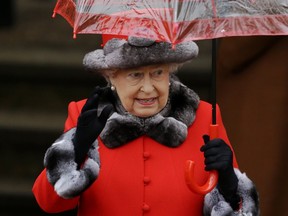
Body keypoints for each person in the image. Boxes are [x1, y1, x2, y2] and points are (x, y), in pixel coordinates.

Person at [32, 36, 259, 216]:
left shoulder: (205, 116)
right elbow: (48, 204)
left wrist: (229, 182)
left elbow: (241, 212)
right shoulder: (86, 115)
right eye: (135, 75)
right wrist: (77, 147)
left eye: (158, 73)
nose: (148, 88)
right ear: (111, 77)